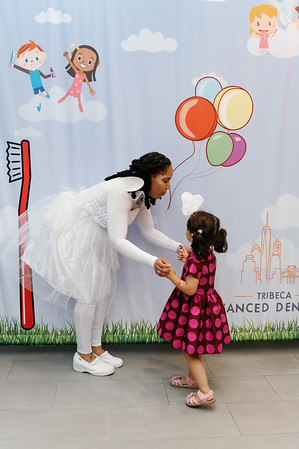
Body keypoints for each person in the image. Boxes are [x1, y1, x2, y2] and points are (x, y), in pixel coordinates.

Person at [17, 152, 182, 376]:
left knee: (101, 292)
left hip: (99, 239)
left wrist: (179, 248)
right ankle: (82, 356)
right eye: (165, 179)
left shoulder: (140, 195)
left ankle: (96, 348)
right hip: (78, 235)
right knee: (88, 294)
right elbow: (118, 240)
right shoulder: (120, 192)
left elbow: (149, 231)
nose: (168, 186)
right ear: (150, 175)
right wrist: (153, 261)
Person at [157, 210, 230, 407]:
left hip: (194, 309)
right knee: (194, 346)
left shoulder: (194, 261)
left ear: (191, 233)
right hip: (207, 307)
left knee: (190, 351)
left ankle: (205, 392)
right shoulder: (208, 255)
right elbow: (199, 259)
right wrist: (189, 253)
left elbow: (190, 289)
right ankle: (192, 380)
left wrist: (171, 275)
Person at [9, 40, 54, 111]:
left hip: (39, 85)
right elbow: (21, 69)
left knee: (44, 92)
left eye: (36, 58)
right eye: (26, 60)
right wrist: (13, 65)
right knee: (37, 96)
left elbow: (44, 77)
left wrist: (50, 75)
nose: (32, 61)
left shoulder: (38, 71)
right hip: (35, 86)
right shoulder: (30, 72)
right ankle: (39, 104)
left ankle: (46, 94)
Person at [58, 44, 100, 112]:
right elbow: (71, 64)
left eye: (89, 62)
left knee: (78, 97)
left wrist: (90, 88)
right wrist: (67, 57)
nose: (83, 62)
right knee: (68, 93)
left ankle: (79, 105)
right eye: (79, 58)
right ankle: (63, 98)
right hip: (74, 86)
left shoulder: (84, 75)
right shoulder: (77, 72)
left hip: (78, 87)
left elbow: (87, 81)